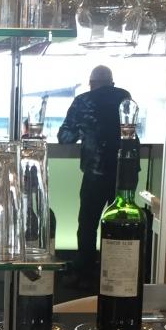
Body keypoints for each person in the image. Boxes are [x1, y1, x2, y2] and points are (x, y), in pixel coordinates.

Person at [57, 66, 133, 283]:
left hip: (96, 171)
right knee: (119, 223)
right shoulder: (125, 97)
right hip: (124, 172)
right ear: (112, 82)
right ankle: (116, 272)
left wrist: (84, 132)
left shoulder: (84, 101)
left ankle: (86, 273)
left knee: (88, 224)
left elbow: (65, 136)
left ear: (91, 83)